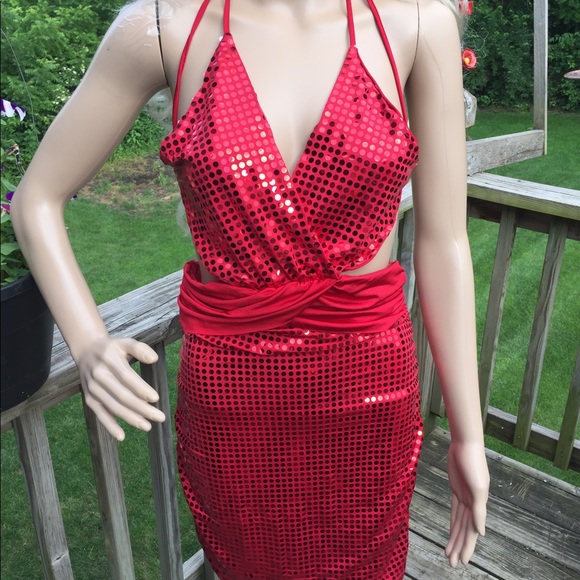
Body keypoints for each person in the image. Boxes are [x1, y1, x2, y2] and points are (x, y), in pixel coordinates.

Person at [11, 0, 490, 577]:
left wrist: (469, 436)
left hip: (369, 394)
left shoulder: (416, 22)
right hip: (232, 399)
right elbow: (36, 199)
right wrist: (88, 344)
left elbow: (445, 241)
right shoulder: (162, 27)